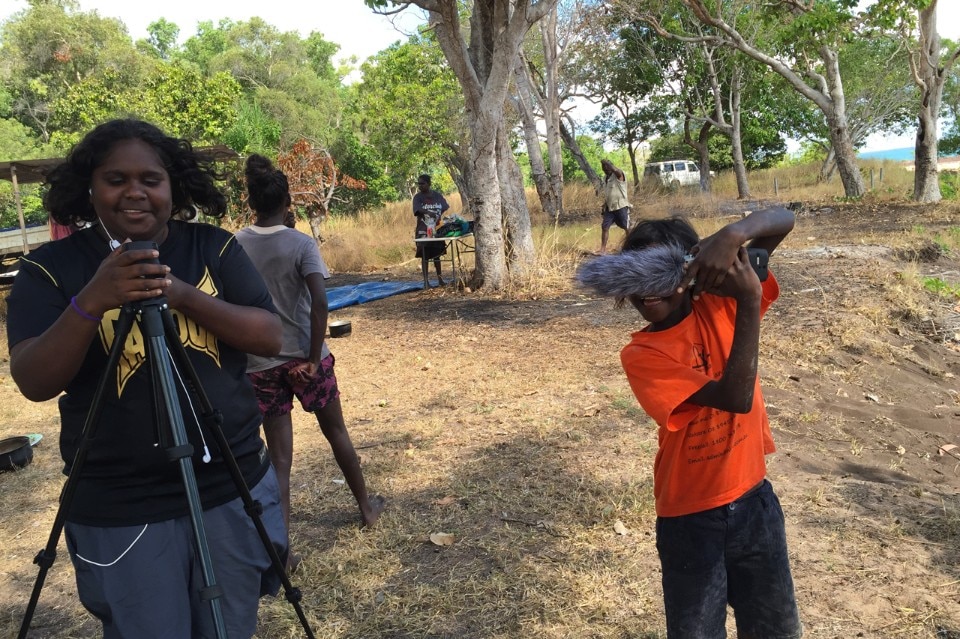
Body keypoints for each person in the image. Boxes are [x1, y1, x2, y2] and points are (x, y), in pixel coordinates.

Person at [6, 119, 287, 639]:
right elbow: (33, 380)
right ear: (90, 187)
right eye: (116, 179)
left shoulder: (212, 248)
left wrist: (183, 295)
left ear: (173, 187)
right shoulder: (50, 268)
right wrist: (92, 299)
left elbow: (270, 336)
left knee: (230, 627)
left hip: (230, 483)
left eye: (150, 179)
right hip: (121, 502)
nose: (134, 192)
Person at [617, 208, 802, 638]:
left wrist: (734, 234)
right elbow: (735, 398)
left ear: (692, 269)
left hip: (754, 501)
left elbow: (784, 220)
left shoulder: (720, 304)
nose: (646, 289)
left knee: (775, 629)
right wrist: (750, 300)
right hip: (690, 519)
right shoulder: (642, 355)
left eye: (659, 273)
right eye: (634, 276)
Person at [236, 155, 385, 571]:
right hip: (306, 357)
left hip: (261, 362)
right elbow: (320, 302)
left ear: (252, 203)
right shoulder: (301, 244)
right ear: (288, 202)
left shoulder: (237, 243)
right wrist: (314, 358)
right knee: (336, 432)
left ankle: (283, 553)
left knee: (279, 461)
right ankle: (366, 508)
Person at [413, 174, 449, 287]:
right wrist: (428, 212)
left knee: (437, 255)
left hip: (436, 229)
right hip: (423, 230)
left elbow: (445, 206)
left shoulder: (437, 196)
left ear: (429, 184)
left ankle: (440, 279)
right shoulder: (418, 197)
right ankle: (426, 281)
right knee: (425, 256)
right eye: (419, 184)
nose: (420, 186)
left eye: (422, 183)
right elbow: (417, 210)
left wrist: (437, 214)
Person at [599, 159, 631, 255]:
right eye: (604, 167)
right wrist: (605, 204)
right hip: (610, 207)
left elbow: (617, 171)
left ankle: (631, 246)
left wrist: (609, 164)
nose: (606, 169)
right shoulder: (605, 178)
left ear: (611, 166)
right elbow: (608, 193)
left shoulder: (618, 175)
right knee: (605, 227)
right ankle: (602, 250)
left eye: (608, 167)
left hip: (621, 206)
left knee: (626, 227)